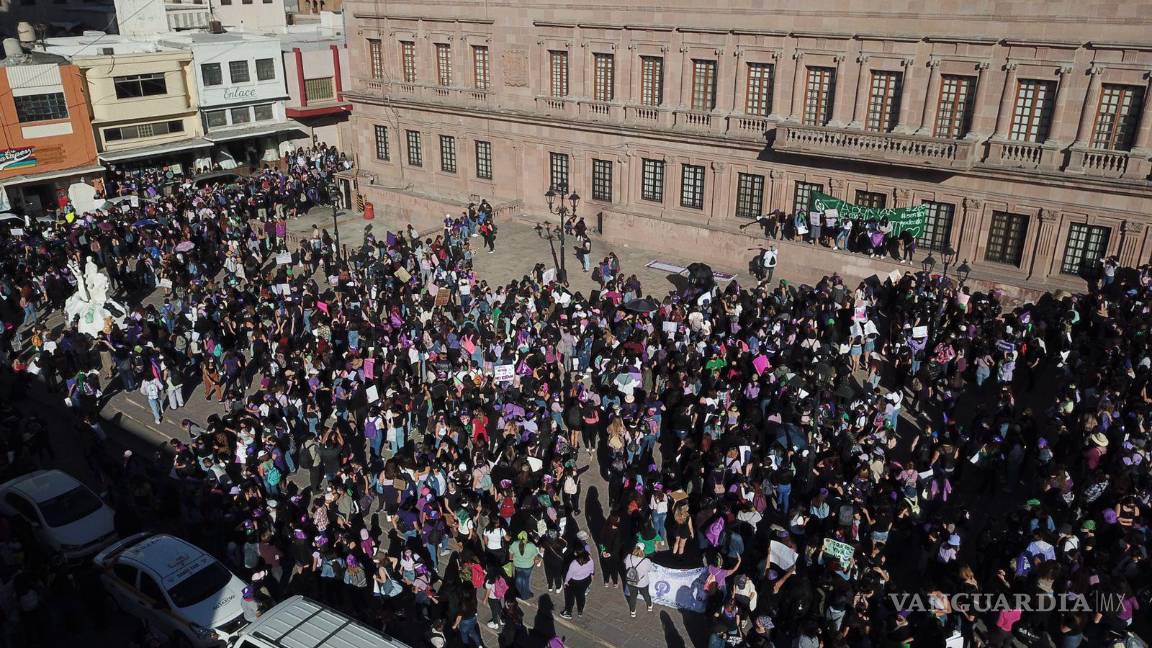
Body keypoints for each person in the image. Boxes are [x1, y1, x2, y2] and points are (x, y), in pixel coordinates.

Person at [560, 550, 593, 619]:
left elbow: (569, 574)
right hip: (586, 580)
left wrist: (566, 582)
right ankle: (580, 611)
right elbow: (592, 570)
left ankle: (568, 612)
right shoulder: (590, 560)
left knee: (569, 597)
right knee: (581, 596)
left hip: (574, 582)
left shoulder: (574, 563)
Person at [622, 544, 653, 618]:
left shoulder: (628, 556)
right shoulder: (646, 561)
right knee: (646, 594)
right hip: (642, 583)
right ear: (643, 550)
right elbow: (649, 569)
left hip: (631, 581)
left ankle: (633, 611)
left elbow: (624, 562)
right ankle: (649, 606)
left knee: (633, 596)